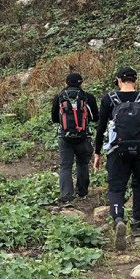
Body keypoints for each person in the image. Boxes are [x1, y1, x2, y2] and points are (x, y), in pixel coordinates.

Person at [93, 66, 140, 250]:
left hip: (117, 150)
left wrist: (97, 153)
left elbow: (101, 129)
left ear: (118, 80)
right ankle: (137, 224)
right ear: (136, 80)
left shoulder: (109, 100)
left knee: (116, 186)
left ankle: (118, 219)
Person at [51, 72, 99, 205]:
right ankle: (82, 191)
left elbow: (55, 118)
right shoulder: (87, 97)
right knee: (82, 163)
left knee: (65, 165)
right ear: (81, 83)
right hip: (83, 136)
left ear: (66, 83)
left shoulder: (60, 96)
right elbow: (95, 117)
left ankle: (66, 195)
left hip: (64, 137)